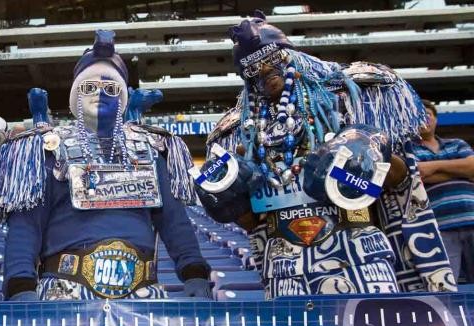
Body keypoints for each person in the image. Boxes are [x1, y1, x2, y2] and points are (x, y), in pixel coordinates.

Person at [191, 11, 456, 299]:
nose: (264, 69)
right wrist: (229, 202)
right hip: (284, 264)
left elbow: (401, 180)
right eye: (252, 68)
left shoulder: (350, 102)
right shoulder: (241, 133)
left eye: (272, 57)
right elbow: (253, 224)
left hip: (358, 251)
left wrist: (369, 148)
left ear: (292, 55)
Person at [0, 30, 212, 301]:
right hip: (65, 293)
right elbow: (27, 225)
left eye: (111, 88)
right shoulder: (47, 149)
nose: (100, 94)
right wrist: (20, 286)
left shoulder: (150, 149)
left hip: (142, 294)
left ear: (122, 98)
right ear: (76, 96)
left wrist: (194, 272)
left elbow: (174, 221)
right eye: (89, 87)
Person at [413, 100, 474, 283]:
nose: (425, 118)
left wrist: (433, 167)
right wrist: (460, 172)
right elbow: (417, 176)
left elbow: (472, 167)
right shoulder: (409, 149)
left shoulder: (457, 143)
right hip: (438, 228)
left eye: (428, 114)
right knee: (447, 286)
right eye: (419, 115)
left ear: (436, 119)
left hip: (471, 218)